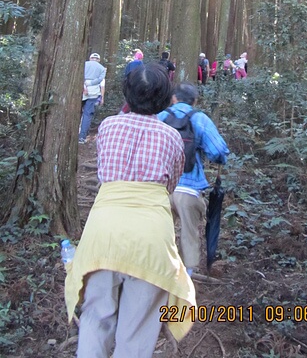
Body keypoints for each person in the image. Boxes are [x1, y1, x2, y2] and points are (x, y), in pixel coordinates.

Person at [65, 64, 196, 358]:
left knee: (95, 319)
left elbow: (103, 170)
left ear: (128, 93)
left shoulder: (109, 126)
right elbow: (170, 183)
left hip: (103, 232)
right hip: (151, 236)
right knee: (137, 332)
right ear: (164, 98)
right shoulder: (171, 137)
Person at [158, 82, 229, 276]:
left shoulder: (161, 116)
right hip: (189, 189)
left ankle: (161, 272)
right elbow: (218, 151)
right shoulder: (199, 119)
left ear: (173, 98)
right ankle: (186, 277)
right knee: (189, 234)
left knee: (161, 233)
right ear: (195, 100)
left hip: (160, 187)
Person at [79, 53, 106, 144]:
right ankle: (82, 137)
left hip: (80, 91)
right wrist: (90, 84)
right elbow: (100, 81)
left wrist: (84, 86)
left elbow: (80, 76)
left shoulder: (84, 64)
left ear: (90, 58)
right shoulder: (102, 68)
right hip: (93, 93)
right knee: (87, 115)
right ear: (98, 59)